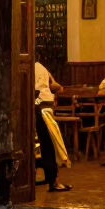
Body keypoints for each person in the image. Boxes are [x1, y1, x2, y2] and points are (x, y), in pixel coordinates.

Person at [34, 61, 71, 192]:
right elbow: (56, 86)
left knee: (46, 147)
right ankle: (53, 181)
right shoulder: (40, 67)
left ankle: (52, 180)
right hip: (42, 111)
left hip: (41, 111)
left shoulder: (34, 67)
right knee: (48, 148)